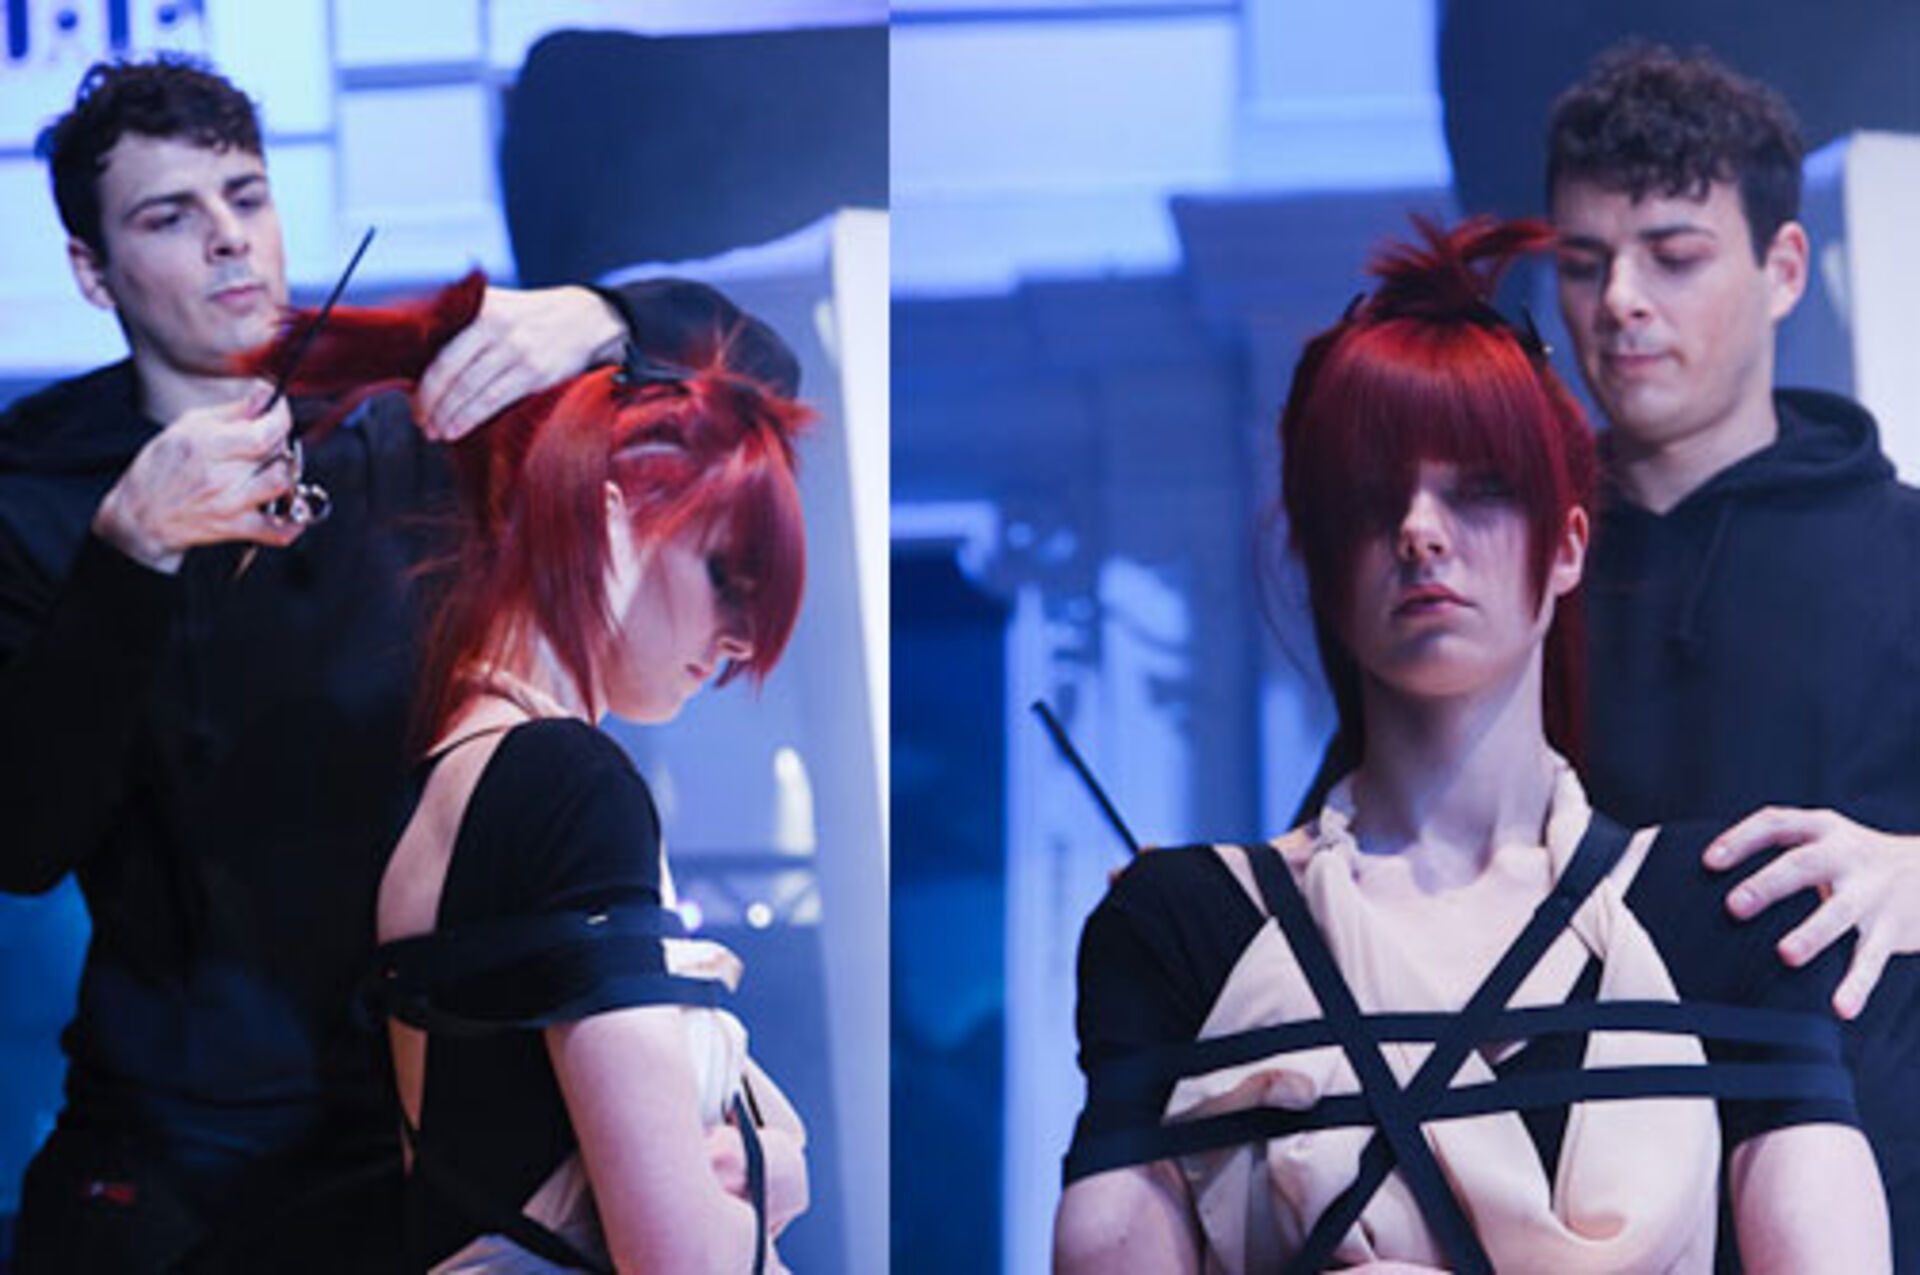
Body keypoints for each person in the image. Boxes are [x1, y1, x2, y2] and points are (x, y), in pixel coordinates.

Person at [0, 57, 796, 1273]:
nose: (227, 238)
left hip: (398, 1136)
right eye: (169, 216)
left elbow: (761, 383)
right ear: (92, 269)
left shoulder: (402, 431)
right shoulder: (39, 494)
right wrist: (131, 550)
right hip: (158, 1153)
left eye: (246, 197)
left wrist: (605, 319)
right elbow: (22, 838)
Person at [1054, 218, 1888, 1273]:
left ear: (1569, 544)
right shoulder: (1191, 931)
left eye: (1480, 487)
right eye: (1373, 497)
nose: (1421, 529)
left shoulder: (1722, 922)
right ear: (1319, 558)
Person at [245, 277, 812, 1271]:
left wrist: (761, 1162)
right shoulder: (566, 785)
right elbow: (679, 1257)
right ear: (609, 514)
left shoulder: (459, 766)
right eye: (725, 574)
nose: (735, 639)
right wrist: (767, 1184)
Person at [1545, 42, 1920, 1258]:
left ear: (1783, 268)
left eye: (1674, 255)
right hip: (1569, 1221)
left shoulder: (1904, 550)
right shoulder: (1511, 574)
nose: (1621, 301)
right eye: (1583, 263)